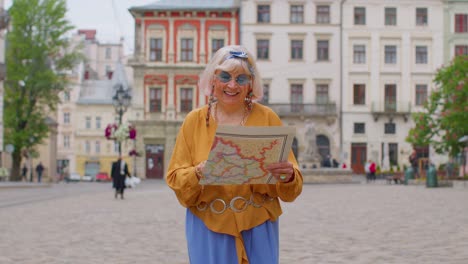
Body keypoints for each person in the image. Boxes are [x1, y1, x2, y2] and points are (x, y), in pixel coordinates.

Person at [166, 45, 303, 264]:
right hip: (208, 226)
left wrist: (288, 176)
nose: (232, 85)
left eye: (241, 79)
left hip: (258, 224)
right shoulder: (194, 121)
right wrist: (199, 172)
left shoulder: (267, 118)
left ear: (250, 84)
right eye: (225, 76)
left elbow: (291, 187)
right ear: (213, 79)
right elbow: (175, 178)